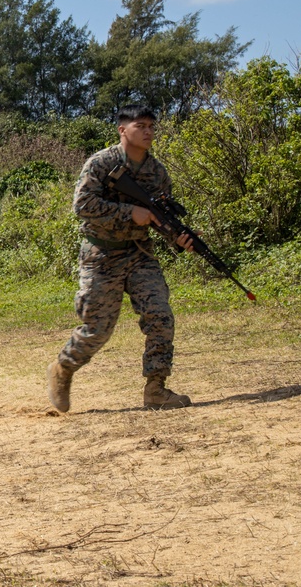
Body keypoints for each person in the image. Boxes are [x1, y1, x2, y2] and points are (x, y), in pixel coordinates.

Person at [48, 104, 195, 413]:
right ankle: (63, 368)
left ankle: (156, 388)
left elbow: (162, 219)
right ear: (122, 130)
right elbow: (83, 206)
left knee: (160, 315)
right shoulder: (101, 163)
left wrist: (178, 239)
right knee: (97, 329)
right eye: (140, 125)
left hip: (140, 254)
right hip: (101, 255)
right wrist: (131, 213)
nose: (148, 131)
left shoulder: (157, 173)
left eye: (151, 127)